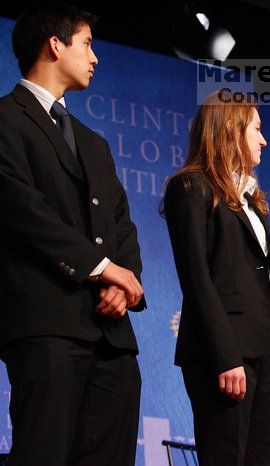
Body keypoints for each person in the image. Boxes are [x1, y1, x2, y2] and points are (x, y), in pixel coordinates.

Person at [0, 3, 145, 465]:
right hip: (47, 326)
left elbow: (121, 223)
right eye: (87, 44)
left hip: (111, 334)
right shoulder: (5, 118)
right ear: (54, 44)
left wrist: (126, 283)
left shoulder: (94, 142)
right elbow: (21, 211)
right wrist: (102, 270)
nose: (95, 57)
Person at [162, 91, 270, 466]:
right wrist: (225, 356)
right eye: (257, 128)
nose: (264, 139)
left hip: (268, 354)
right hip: (224, 353)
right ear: (231, 128)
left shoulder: (252, 200)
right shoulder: (191, 188)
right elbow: (196, 278)